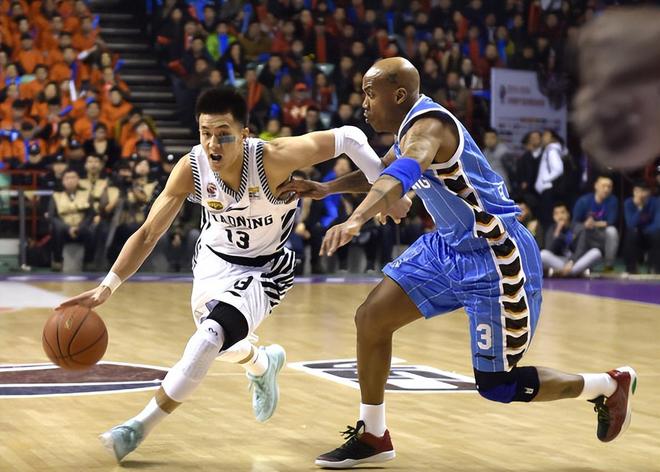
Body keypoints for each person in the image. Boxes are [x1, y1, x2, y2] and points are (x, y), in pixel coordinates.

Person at [280, 57, 636, 469]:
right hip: (447, 248)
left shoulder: (429, 129)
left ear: (398, 95)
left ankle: (606, 385)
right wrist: (327, 188)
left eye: (370, 93)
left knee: (498, 384)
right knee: (371, 319)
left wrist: (356, 219)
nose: (363, 103)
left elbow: (403, 173)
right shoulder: (409, 126)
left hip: (495, 254)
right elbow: (384, 170)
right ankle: (373, 434)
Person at [56, 87, 408, 463]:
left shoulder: (273, 158)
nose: (213, 143)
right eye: (205, 133)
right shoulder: (191, 169)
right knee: (218, 346)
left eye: (223, 134)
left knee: (209, 338)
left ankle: (136, 428)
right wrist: (107, 287)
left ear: (244, 134)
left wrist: (386, 190)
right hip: (213, 262)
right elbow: (148, 233)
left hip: (266, 267)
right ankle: (262, 363)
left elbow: (350, 137)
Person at [540, 202, 602, 277]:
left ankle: (564, 272)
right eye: (556, 214)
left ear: (568, 214)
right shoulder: (552, 230)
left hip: (577, 260)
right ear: (553, 217)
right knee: (543, 254)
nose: (560, 216)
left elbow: (580, 249)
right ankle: (576, 272)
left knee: (596, 252)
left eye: (562, 212)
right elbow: (549, 250)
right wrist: (557, 231)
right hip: (562, 261)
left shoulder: (578, 227)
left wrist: (572, 261)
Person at [572, 175, 619, 271]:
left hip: (601, 235)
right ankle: (575, 261)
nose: (606, 189)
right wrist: (585, 225)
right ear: (596, 186)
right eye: (603, 186)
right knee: (577, 231)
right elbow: (574, 223)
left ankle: (608, 266)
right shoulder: (583, 201)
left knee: (612, 231)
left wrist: (593, 223)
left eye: (609, 187)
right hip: (586, 233)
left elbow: (610, 222)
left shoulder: (613, 201)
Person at [622, 182, 660, 274]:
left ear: (649, 192)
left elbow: (657, 223)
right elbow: (631, 224)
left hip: (651, 234)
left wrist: (644, 231)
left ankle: (654, 268)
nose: (639, 194)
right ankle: (631, 268)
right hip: (636, 235)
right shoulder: (628, 203)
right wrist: (640, 208)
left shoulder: (656, 202)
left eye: (643, 191)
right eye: (636, 191)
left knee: (657, 234)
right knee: (631, 233)